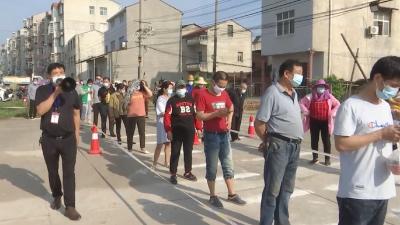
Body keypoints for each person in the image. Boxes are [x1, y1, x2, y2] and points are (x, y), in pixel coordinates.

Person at [334, 56, 400, 225]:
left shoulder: (385, 106)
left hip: (382, 189)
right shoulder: (351, 106)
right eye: (393, 85)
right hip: (358, 193)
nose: (396, 91)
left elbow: (385, 140)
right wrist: (380, 134)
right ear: (378, 78)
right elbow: (341, 143)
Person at [254, 59, 304, 225]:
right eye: (298, 74)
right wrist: (268, 141)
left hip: (295, 146)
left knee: (287, 189)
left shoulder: (294, 94)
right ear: (287, 74)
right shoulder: (272, 92)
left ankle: (282, 221)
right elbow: (259, 123)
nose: (301, 77)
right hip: (279, 146)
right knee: (272, 190)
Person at [35, 63, 81, 220]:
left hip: (68, 139)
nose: (59, 74)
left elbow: (76, 114)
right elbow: (40, 110)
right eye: (55, 73)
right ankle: (56, 195)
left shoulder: (72, 90)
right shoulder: (42, 90)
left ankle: (70, 206)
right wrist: (56, 93)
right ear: (49, 76)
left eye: (61, 72)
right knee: (53, 172)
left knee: (69, 173)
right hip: (49, 139)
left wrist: (77, 135)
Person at [196, 71, 246, 209]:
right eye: (220, 85)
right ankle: (212, 196)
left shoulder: (224, 94)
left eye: (224, 86)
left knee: (228, 164)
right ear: (213, 82)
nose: (222, 89)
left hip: (224, 134)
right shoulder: (202, 95)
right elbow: (199, 115)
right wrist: (216, 114)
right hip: (211, 135)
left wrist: (229, 121)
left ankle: (232, 194)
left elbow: (231, 107)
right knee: (212, 167)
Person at [165, 80, 200, 184]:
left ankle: (188, 172)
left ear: (185, 88)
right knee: (175, 152)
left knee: (188, 152)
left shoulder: (191, 99)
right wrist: (168, 130)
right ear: (176, 89)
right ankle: (173, 173)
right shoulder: (172, 100)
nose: (181, 89)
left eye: (183, 87)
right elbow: (167, 116)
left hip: (189, 130)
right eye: (179, 87)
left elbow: (196, 114)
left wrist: (198, 128)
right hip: (176, 130)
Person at [300, 79, 340, 166]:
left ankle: (327, 159)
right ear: (316, 88)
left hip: (326, 122)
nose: (320, 88)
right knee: (314, 140)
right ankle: (315, 158)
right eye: (319, 87)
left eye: (322, 87)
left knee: (326, 141)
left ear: (325, 88)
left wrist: (332, 113)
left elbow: (337, 104)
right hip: (314, 121)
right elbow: (301, 103)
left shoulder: (329, 97)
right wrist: (306, 111)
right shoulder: (310, 96)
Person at [126, 80, 153, 153]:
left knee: (142, 132)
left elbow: (150, 94)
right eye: (136, 85)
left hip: (141, 115)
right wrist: (131, 91)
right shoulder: (130, 93)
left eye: (138, 85)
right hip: (131, 115)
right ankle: (129, 148)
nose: (137, 86)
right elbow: (126, 103)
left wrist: (144, 85)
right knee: (130, 132)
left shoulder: (142, 93)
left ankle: (143, 147)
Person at [153, 81, 173, 169]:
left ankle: (166, 162)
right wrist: (171, 113)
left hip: (170, 122)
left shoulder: (171, 98)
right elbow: (162, 112)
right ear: (164, 89)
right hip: (162, 123)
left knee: (168, 143)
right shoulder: (160, 99)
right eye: (169, 88)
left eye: (172, 88)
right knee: (160, 144)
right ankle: (154, 163)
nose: (171, 90)